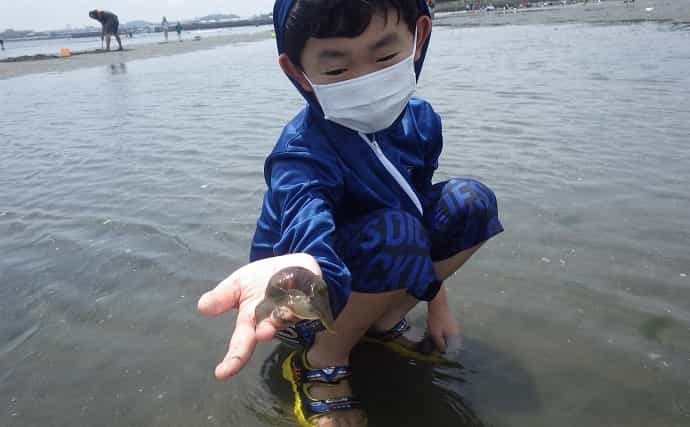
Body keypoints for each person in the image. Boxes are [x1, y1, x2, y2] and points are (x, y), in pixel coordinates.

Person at [197, 1, 503, 426]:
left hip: (386, 256)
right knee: (397, 230)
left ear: (419, 37)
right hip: (303, 302)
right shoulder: (300, 153)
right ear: (297, 72)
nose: (367, 79)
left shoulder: (422, 123)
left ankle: (383, 321)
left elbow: (416, 202)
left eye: (384, 56)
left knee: (470, 202)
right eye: (338, 70)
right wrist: (308, 270)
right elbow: (308, 221)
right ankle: (322, 359)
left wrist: (438, 303)